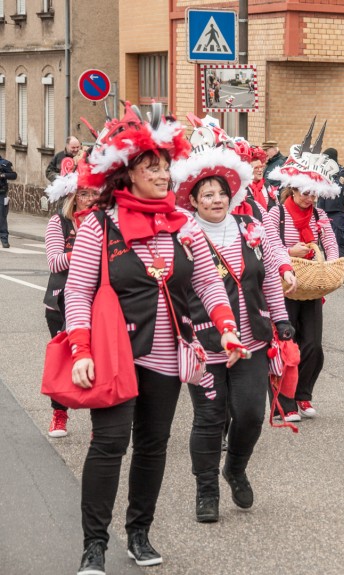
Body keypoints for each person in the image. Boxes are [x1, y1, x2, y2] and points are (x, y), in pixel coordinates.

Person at [64, 103, 242, 575]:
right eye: (152, 167)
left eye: (165, 166)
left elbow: (207, 282)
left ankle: (139, 533)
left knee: (153, 445)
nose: (164, 175)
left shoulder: (183, 228)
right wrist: (80, 349)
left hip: (167, 356)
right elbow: (77, 292)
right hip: (114, 355)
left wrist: (226, 327)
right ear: (127, 174)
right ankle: (94, 544)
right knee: (109, 444)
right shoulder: (99, 227)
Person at [171, 135, 296, 523]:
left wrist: (279, 318)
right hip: (206, 341)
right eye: (205, 194)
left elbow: (266, 279)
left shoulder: (250, 226)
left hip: (252, 341)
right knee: (210, 417)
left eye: (220, 193)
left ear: (231, 195)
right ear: (192, 200)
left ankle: (235, 468)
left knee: (249, 415)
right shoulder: (184, 234)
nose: (214, 199)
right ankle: (206, 489)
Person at [265, 120, 341, 421]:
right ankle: (284, 402)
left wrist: (332, 265)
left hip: (311, 286)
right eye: (305, 192)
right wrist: (289, 253)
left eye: (314, 193)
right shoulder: (277, 213)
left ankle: (303, 395)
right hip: (284, 287)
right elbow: (269, 247)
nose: (310, 198)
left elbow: (332, 244)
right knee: (287, 345)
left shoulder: (320, 215)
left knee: (313, 346)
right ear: (292, 189)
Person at [42, 159, 100, 437]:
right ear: (72, 197)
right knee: (64, 361)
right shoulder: (59, 223)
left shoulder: (104, 223)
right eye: (83, 194)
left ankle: (98, 422)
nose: (89, 199)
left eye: (93, 193)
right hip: (60, 301)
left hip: (96, 301)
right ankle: (59, 414)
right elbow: (54, 262)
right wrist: (86, 251)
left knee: (96, 360)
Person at [318, 147, 344, 261]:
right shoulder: (322, 172)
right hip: (323, 213)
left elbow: (337, 187)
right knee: (327, 244)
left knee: (339, 243)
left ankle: (341, 274)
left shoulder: (342, 172)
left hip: (338, 213)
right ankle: (331, 272)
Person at [0, 151, 17, 248]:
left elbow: (14, 175)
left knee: (1, 217)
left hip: (1, 194)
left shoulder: (4, 163)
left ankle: (4, 239)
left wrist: (2, 175)